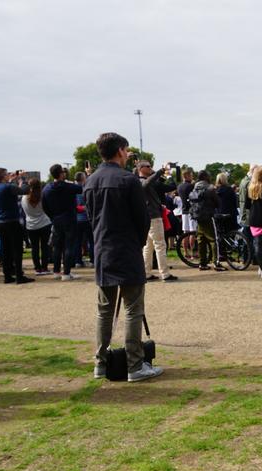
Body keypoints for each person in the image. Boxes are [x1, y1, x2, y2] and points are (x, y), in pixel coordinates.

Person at [84, 132, 162, 382]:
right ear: (120, 150)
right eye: (127, 150)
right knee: (132, 308)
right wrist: (137, 243)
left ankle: (101, 363)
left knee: (104, 310)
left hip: (103, 249)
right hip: (126, 248)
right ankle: (134, 365)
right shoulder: (128, 180)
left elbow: (91, 218)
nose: (128, 155)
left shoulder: (91, 180)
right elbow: (142, 220)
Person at [0, 168, 33, 284]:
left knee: (6, 250)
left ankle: (7, 275)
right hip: (12, 221)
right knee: (17, 249)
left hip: (0, 221)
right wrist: (23, 178)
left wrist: (13, 180)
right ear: (4, 176)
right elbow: (25, 190)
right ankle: (19, 275)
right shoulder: (8, 187)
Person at [138, 161, 177, 282]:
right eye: (148, 166)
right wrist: (162, 170)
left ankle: (146, 273)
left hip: (148, 216)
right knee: (160, 245)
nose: (150, 168)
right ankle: (164, 273)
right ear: (140, 168)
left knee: (148, 247)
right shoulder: (141, 181)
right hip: (153, 216)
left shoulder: (141, 181)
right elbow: (147, 183)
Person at [42, 164, 83, 281]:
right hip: (69, 218)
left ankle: (56, 271)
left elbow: (44, 206)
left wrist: (52, 217)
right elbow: (82, 188)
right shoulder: (69, 187)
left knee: (57, 246)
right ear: (61, 174)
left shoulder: (46, 188)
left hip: (56, 219)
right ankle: (66, 273)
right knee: (69, 246)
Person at [190, 170, 224, 272]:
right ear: (205, 177)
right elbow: (218, 202)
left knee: (201, 240)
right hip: (208, 216)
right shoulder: (210, 188)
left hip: (197, 216)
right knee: (214, 240)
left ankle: (203, 263)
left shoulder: (195, 187)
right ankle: (216, 263)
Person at [21, 178, 52, 275]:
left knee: (34, 248)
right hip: (44, 223)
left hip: (31, 225)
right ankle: (45, 267)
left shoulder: (24, 198)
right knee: (44, 247)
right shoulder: (43, 197)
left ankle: (37, 268)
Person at [72, 171, 94, 268]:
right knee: (91, 240)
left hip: (77, 219)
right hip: (87, 219)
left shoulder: (71, 190)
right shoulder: (87, 188)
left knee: (78, 241)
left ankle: (78, 261)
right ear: (83, 179)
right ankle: (93, 260)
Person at [177, 168, 196, 257]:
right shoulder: (191, 186)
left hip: (184, 210)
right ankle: (192, 252)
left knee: (185, 232)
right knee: (193, 232)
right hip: (191, 211)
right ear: (187, 175)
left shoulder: (179, 186)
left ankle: (185, 252)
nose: (192, 177)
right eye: (191, 175)